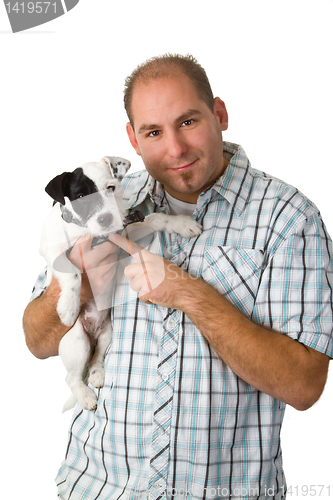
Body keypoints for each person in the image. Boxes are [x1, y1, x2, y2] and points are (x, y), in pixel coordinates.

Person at [23, 54, 333, 500]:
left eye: (188, 122)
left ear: (219, 114)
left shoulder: (288, 219)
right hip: (96, 488)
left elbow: (303, 385)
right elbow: (36, 341)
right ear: (132, 139)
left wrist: (189, 294)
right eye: (153, 132)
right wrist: (79, 277)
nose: (174, 149)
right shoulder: (98, 204)